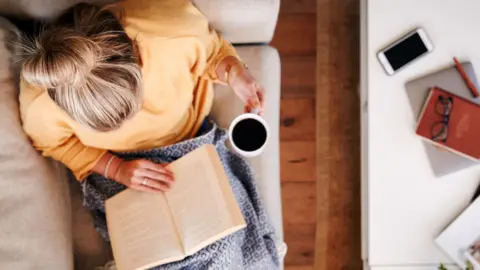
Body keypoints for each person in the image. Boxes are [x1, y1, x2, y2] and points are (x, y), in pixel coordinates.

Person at [19, 0, 264, 192]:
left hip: (191, 139)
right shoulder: (40, 104)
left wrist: (234, 71)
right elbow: (56, 145)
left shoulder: (171, 30)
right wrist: (117, 170)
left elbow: (212, 53)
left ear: (135, 51)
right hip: (120, 165)